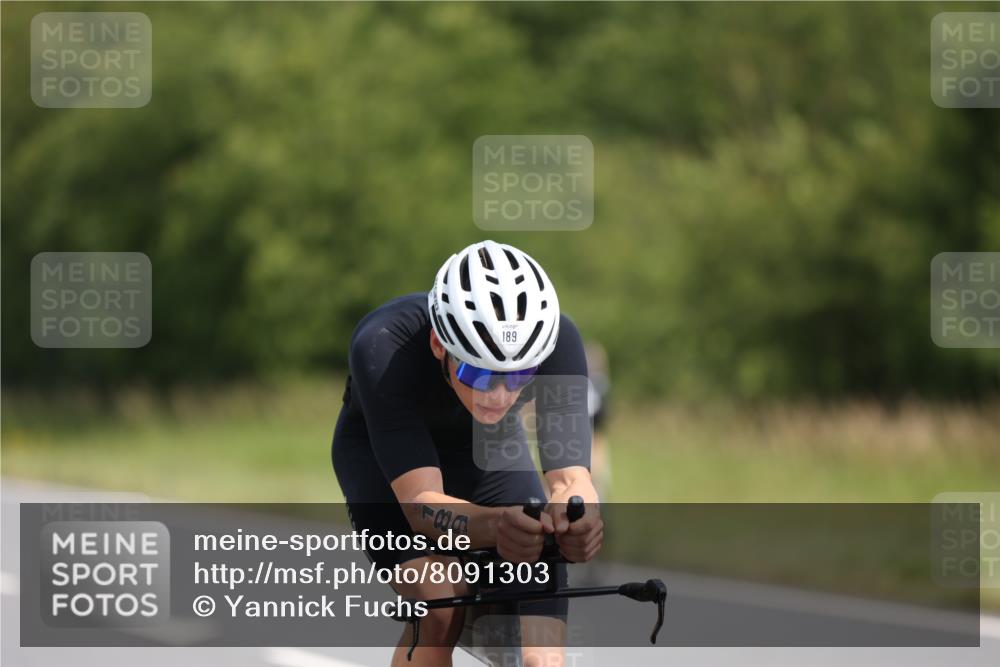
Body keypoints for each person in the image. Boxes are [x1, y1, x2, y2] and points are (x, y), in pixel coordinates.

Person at [331, 240, 603, 667]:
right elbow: (421, 505)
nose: (498, 395)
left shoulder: (558, 339)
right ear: (440, 345)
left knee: (543, 654)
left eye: (519, 376)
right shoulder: (383, 344)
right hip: (383, 458)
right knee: (442, 601)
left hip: (487, 449)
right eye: (477, 372)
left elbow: (571, 479)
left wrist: (581, 516)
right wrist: (499, 526)